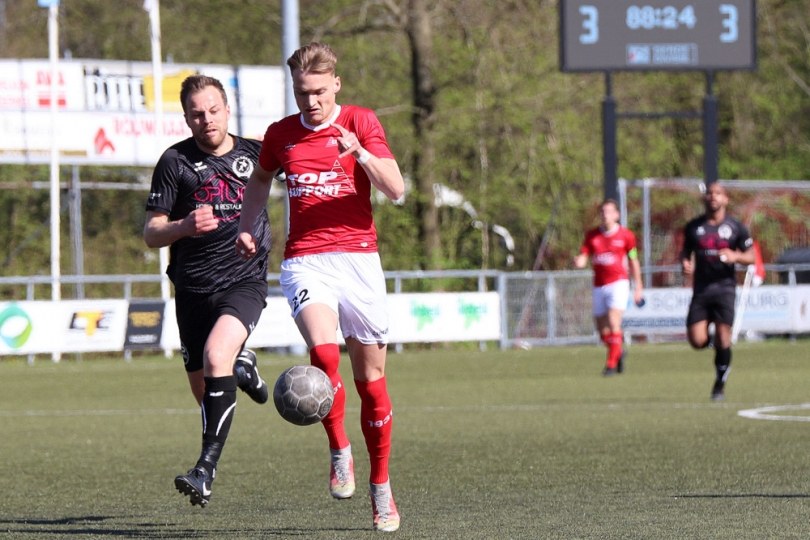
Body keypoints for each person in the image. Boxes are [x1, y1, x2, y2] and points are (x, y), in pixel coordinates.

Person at [236, 42, 405, 533]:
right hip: (306, 261)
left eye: (318, 92)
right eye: (301, 92)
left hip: (360, 260)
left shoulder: (361, 121)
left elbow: (397, 190)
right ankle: (338, 448)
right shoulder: (281, 134)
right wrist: (248, 225)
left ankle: (381, 486)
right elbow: (260, 179)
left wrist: (361, 153)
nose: (310, 102)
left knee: (371, 383)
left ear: (336, 84)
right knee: (325, 356)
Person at [143, 74, 272, 508]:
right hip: (193, 290)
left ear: (227, 110)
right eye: (197, 114)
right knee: (204, 394)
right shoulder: (174, 161)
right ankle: (243, 366)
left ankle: (204, 471)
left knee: (218, 356)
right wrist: (183, 226)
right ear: (186, 118)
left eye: (214, 110)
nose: (207, 119)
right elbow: (151, 232)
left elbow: (305, 168)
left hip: (244, 280)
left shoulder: (256, 153)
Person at [680, 182, 755, 401]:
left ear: (725, 199)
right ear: (705, 198)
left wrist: (735, 256)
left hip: (725, 289)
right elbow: (685, 252)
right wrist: (685, 263)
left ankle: (719, 383)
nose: (713, 196)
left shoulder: (736, 227)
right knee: (697, 341)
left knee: (723, 337)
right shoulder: (694, 227)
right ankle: (719, 345)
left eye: (718, 193)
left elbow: (751, 257)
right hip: (702, 289)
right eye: (710, 193)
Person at [574, 199, 644, 376]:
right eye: (603, 212)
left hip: (619, 283)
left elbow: (633, 260)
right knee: (602, 330)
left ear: (616, 215)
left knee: (614, 321)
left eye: (609, 211)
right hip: (599, 285)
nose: (605, 215)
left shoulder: (626, 235)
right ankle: (617, 351)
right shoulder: (592, 236)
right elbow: (584, 255)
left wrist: (638, 286)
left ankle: (611, 365)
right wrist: (579, 261)